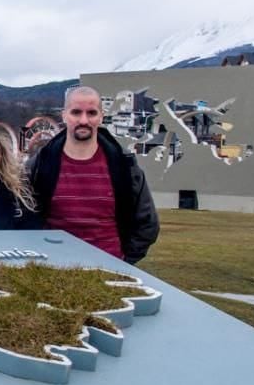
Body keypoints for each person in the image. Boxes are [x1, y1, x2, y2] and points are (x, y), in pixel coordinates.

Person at [29, 85, 159, 264]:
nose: (84, 120)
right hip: (52, 269)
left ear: (101, 117)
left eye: (91, 113)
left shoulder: (124, 165)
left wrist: (124, 261)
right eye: (76, 112)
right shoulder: (41, 164)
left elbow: (147, 223)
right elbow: (23, 217)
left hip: (109, 271)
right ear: (64, 115)